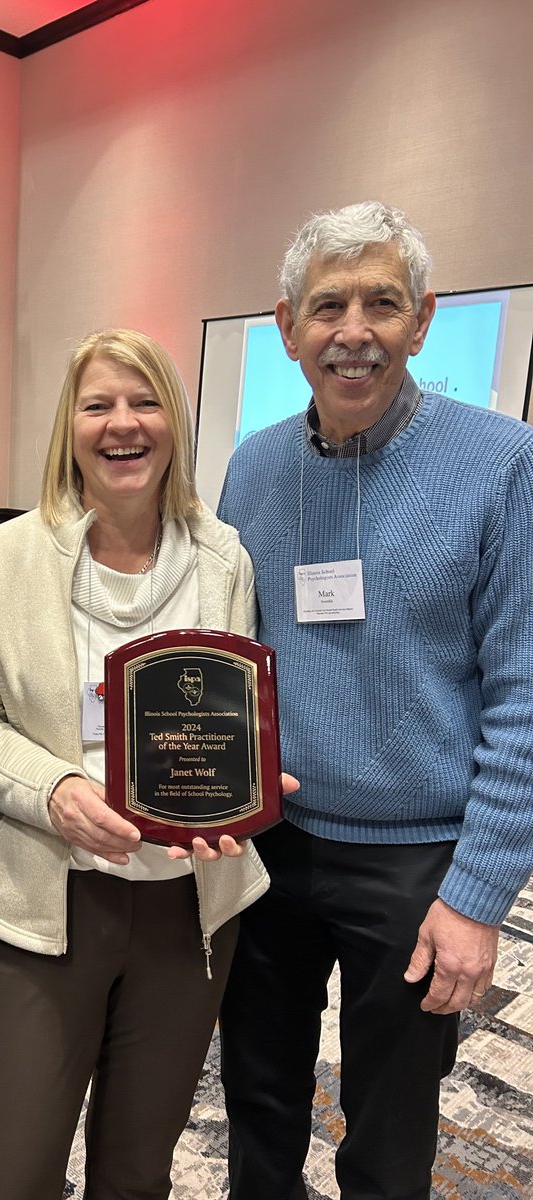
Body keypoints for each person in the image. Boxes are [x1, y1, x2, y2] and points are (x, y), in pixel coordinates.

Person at [217, 201, 533, 1200]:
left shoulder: (501, 462)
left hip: (415, 859)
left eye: (382, 304)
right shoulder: (253, 467)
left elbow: (525, 692)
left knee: (390, 1126)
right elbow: (226, 655)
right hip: (271, 840)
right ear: (287, 327)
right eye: (329, 306)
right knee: (256, 1093)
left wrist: (478, 895)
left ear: (424, 320)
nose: (353, 332)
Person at [0, 328, 295, 1200]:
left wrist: (241, 795)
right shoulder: (1, 558)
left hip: (189, 911)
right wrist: (55, 789)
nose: (122, 424)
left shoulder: (224, 560)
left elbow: (229, 719)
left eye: (144, 403)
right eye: (98, 404)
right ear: (70, 425)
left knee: (138, 1173)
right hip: (43, 903)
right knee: (10, 1176)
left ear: (174, 423)